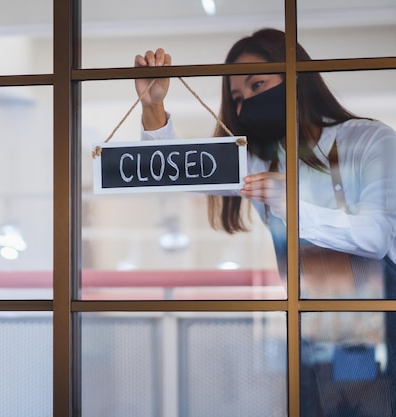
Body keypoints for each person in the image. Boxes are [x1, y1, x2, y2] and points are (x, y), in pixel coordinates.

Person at [134, 28, 396, 416]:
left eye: (258, 84)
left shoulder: (369, 140)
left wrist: (289, 202)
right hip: (311, 333)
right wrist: (152, 106)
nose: (249, 103)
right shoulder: (256, 160)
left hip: (380, 329)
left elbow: (377, 236)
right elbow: (172, 170)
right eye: (238, 98)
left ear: (296, 77)